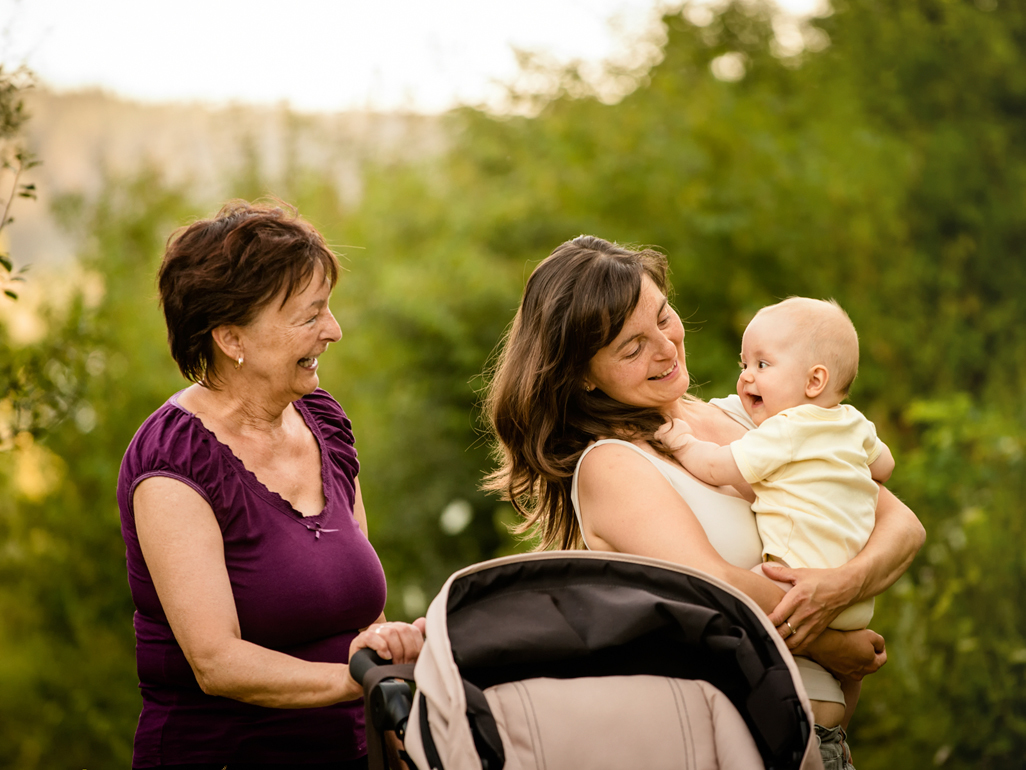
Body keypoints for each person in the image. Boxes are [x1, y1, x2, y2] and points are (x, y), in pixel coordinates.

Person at [482, 236, 925, 769]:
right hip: (733, 748)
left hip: (820, 744)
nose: (665, 348)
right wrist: (829, 643)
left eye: (663, 317)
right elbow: (711, 584)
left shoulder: (751, 416)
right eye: (631, 347)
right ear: (582, 375)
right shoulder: (612, 464)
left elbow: (901, 523)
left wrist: (841, 587)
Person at [117, 200, 424, 769]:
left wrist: (390, 660)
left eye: (327, 309)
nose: (334, 330)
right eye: (310, 317)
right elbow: (217, 663)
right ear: (232, 337)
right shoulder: (175, 463)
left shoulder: (323, 423)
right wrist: (363, 683)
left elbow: (361, 616)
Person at [655, 296, 896, 728]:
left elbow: (716, 466)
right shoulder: (854, 423)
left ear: (814, 380)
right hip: (857, 605)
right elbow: (885, 466)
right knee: (843, 679)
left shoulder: (785, 430)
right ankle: (842, 718)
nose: (746, 377)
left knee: (736, 595)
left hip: (795, 581)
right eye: (744, 363)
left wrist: (681, 443)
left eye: (762, 365)